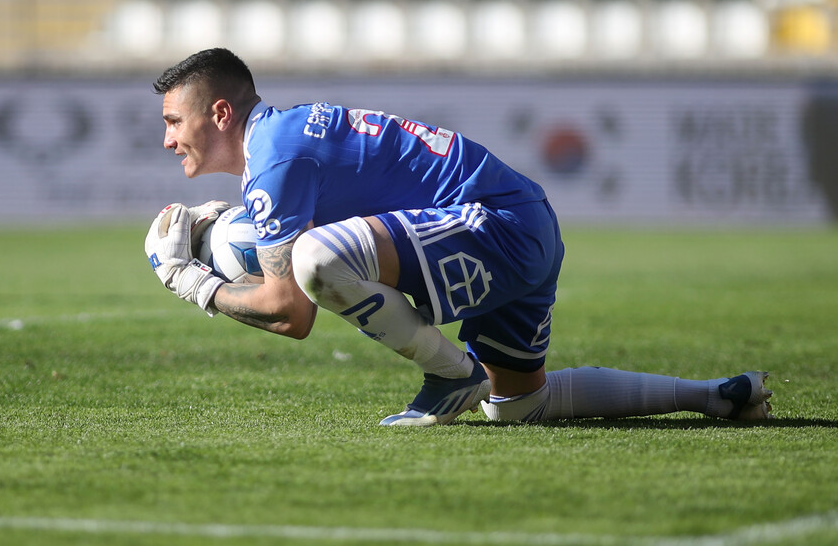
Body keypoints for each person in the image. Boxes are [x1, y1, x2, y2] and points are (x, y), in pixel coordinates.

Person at [143, 48, 773, 426]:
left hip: (494, 222)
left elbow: (290, 313)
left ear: (220, 113)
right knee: (519, 407)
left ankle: (451, 378)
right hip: (521, 221)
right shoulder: (282, 143)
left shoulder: (278, 157)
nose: (168, 138)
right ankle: (711, 396)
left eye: (175, 120)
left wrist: (188, 279)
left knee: (316, 257)